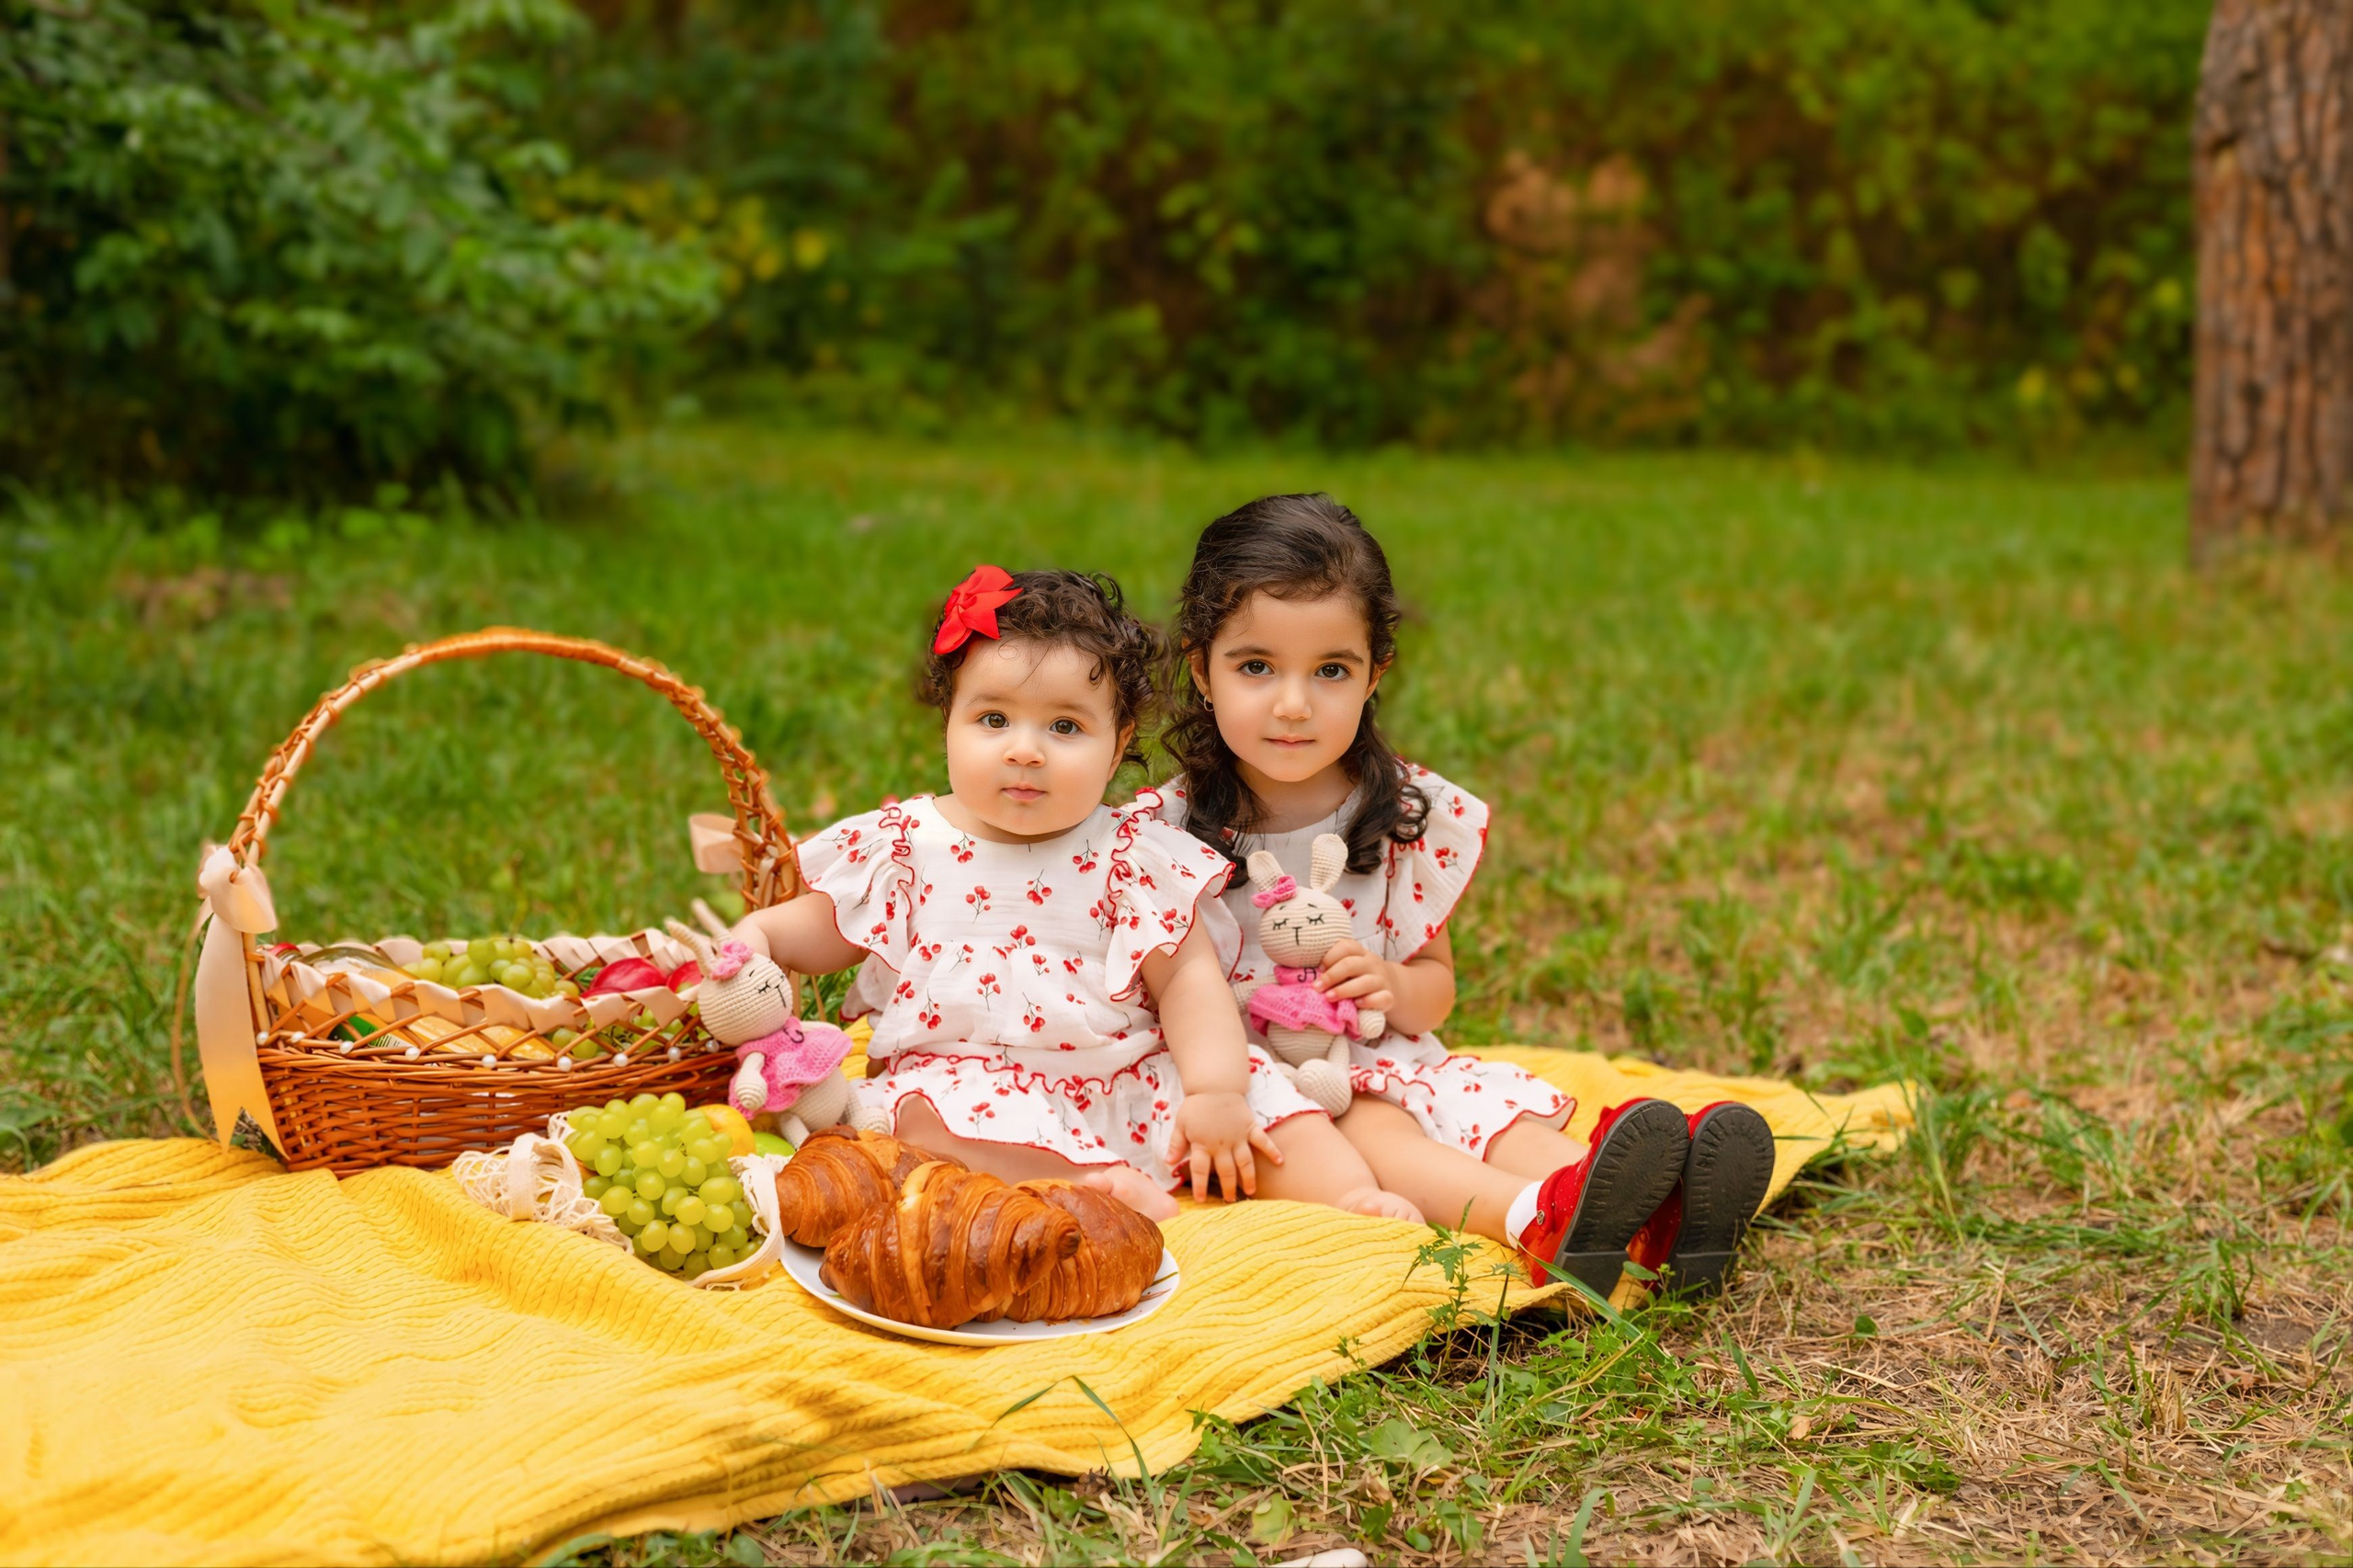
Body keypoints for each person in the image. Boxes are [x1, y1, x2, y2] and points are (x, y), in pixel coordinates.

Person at [1151, 495, 1777, 1298]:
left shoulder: (1406, 811)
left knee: (1490, 1117)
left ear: (1376, 672)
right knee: (1385, 1133)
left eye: (1330, 670)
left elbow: (1434, 988)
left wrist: (1394, 986)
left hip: (1384, 1050)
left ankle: (1668, 1204)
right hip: (1271, 1085)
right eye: (1256, 667)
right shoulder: (1165, 834)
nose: (1294, 703)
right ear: (1203, 670)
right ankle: (1538, 1217)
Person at [732, 563, 1422, 1224]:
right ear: (950, 721)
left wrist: (1214, 1092)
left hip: (1129, 1078)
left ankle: (1350, 1198)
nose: (1025, 751)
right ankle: (1080, 1191)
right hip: (969, 1083)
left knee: (1268, 1112)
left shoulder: (1131, 853)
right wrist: (756, 942)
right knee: (921, 1135)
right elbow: (820, 931)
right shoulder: (909, 844)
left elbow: (1186, 980)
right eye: (994, 720)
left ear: (1118, 743)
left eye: (1064, 727)